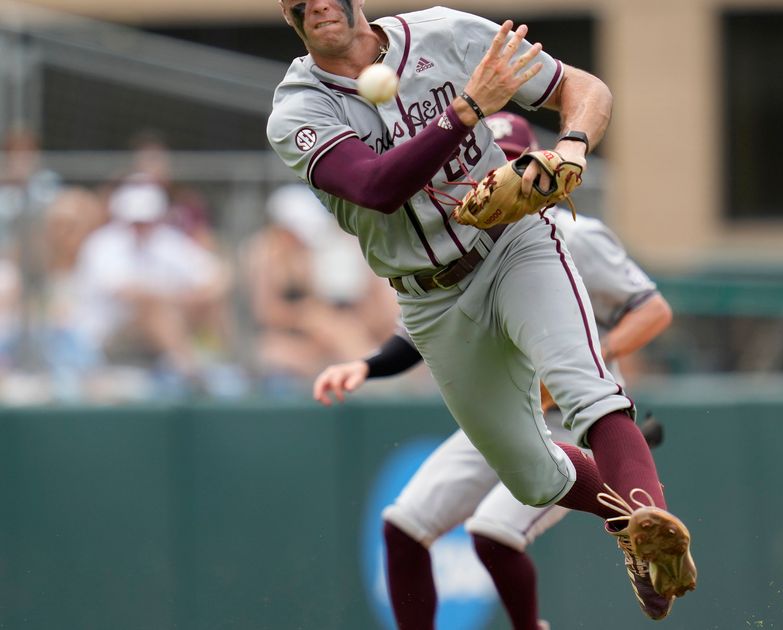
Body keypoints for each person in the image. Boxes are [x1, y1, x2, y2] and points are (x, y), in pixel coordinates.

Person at [266, 0, 697, 623]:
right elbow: (376, 188)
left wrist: (573, 144)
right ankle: (632, 519)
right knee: (532, 478)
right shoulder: (298, 106)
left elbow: (583, 87)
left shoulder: (446, 32)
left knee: (589, 391)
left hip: (513, 242)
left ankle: (655, 539)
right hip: (431, 294)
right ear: (288, 13)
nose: (316, 3)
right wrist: (466, 109)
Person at [312, 112, 675, 627]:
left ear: (536, 167)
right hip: (506, 405)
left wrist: (595, 351)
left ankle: (640, 523)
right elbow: (418, 331)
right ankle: (634, 519)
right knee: (403, 525)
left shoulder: (574, 232)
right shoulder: (455, 236)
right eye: (492, 164)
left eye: (512, 165)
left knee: (495, 534)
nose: (499, 179)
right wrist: (365, 366)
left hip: (568, 414)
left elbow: (653, 310)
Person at [71, 182, 230, 391]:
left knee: (212, 305)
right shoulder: (103, 245)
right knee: (153, 309)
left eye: (146, 220)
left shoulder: (168, 242)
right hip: (105, 336)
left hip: (162, 325)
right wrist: (180, 297)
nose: (140, 227)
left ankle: (230, 365)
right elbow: (128, 293)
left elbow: (219, 276)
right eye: (135, 221)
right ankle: (191, 372)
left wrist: (195, 298)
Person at [241, 184, 397, 392]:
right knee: (327, 325)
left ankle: (377, 377)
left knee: (350, 324)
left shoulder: (310, 252)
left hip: (318, 336)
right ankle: (376, 381)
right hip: (279, 340)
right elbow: (266, 313)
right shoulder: (263, 256)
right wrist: (306, 315)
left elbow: (339, 299)